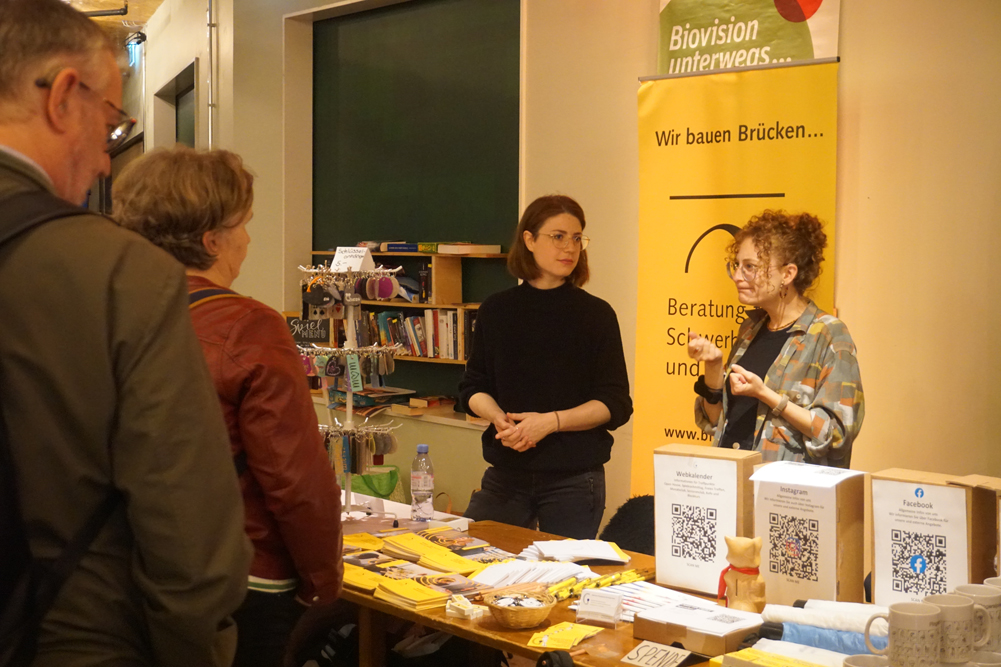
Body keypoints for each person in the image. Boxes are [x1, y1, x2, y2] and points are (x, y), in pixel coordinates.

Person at [0, 1, 252, 665]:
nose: (108, 162)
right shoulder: (120, 272)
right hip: (69, 636)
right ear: (62, 97)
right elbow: (187, 525)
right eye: (111, 122)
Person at [113, 146, 344, 667]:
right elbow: (295, 478)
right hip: (240, 576)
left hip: (128, 569)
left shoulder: (109, 315)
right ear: (211, 240)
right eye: (244, 224)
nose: (248, 239)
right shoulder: (249, 327)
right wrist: (322, 581)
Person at [459, 194, 633, 539]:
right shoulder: (496, 310)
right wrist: (498, 418)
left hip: (574, 479)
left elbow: (615, 403)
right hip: (506, 473)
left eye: (577, 238)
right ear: (529, 240)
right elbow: (472, 387)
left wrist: (550, 423)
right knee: (472, 554)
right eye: (558, 236)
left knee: (564, 569)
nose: (570, 247)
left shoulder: (596, 315)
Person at [688, 210, 864, 467]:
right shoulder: (751, 329)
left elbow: (836, 434)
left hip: (786, 488)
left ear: (788, 274)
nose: (737, 276)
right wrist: (714, 367)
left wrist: (767, 395)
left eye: (750, 267)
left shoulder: (828, 334)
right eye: (736, 266)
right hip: (732, 477)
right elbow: (717, 422)